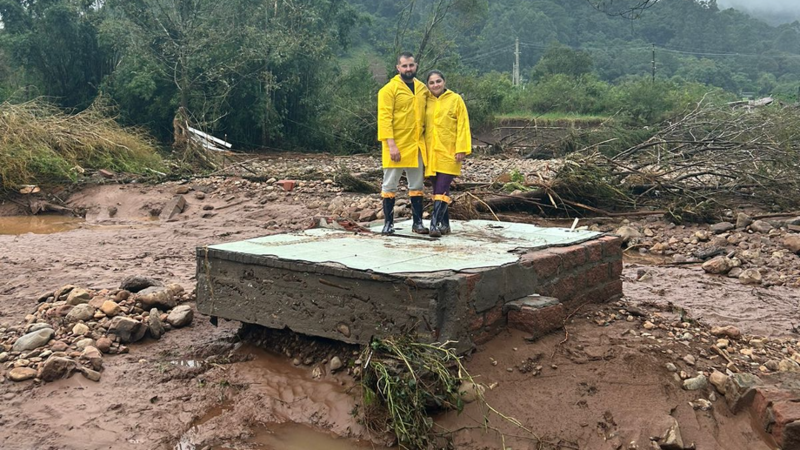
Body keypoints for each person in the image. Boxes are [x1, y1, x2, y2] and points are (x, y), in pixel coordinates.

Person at [377, 52, 429, 235]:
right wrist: (391, 144)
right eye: (405, 66)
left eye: (411, 65)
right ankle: (388, 224)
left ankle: (417, 223)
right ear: (398, 68)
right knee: (390, 184)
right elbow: (384, 119)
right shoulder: (388, 90)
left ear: (416, 66)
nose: (408, 69)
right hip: (395, 145)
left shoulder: (423, 89)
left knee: (416, 185)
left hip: (416, 145)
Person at [423, 70, 471, 237]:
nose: (435, 85)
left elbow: (463, 125)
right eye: (432, 82)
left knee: (442, 187)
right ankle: (445, 225)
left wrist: (461, 148)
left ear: (444, 81)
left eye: (438, 81)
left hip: (450, 152)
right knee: (438, 188)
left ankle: (434, 224)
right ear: (428, 85)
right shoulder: (426, 100)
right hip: (431, 152)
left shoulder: (455, 99)